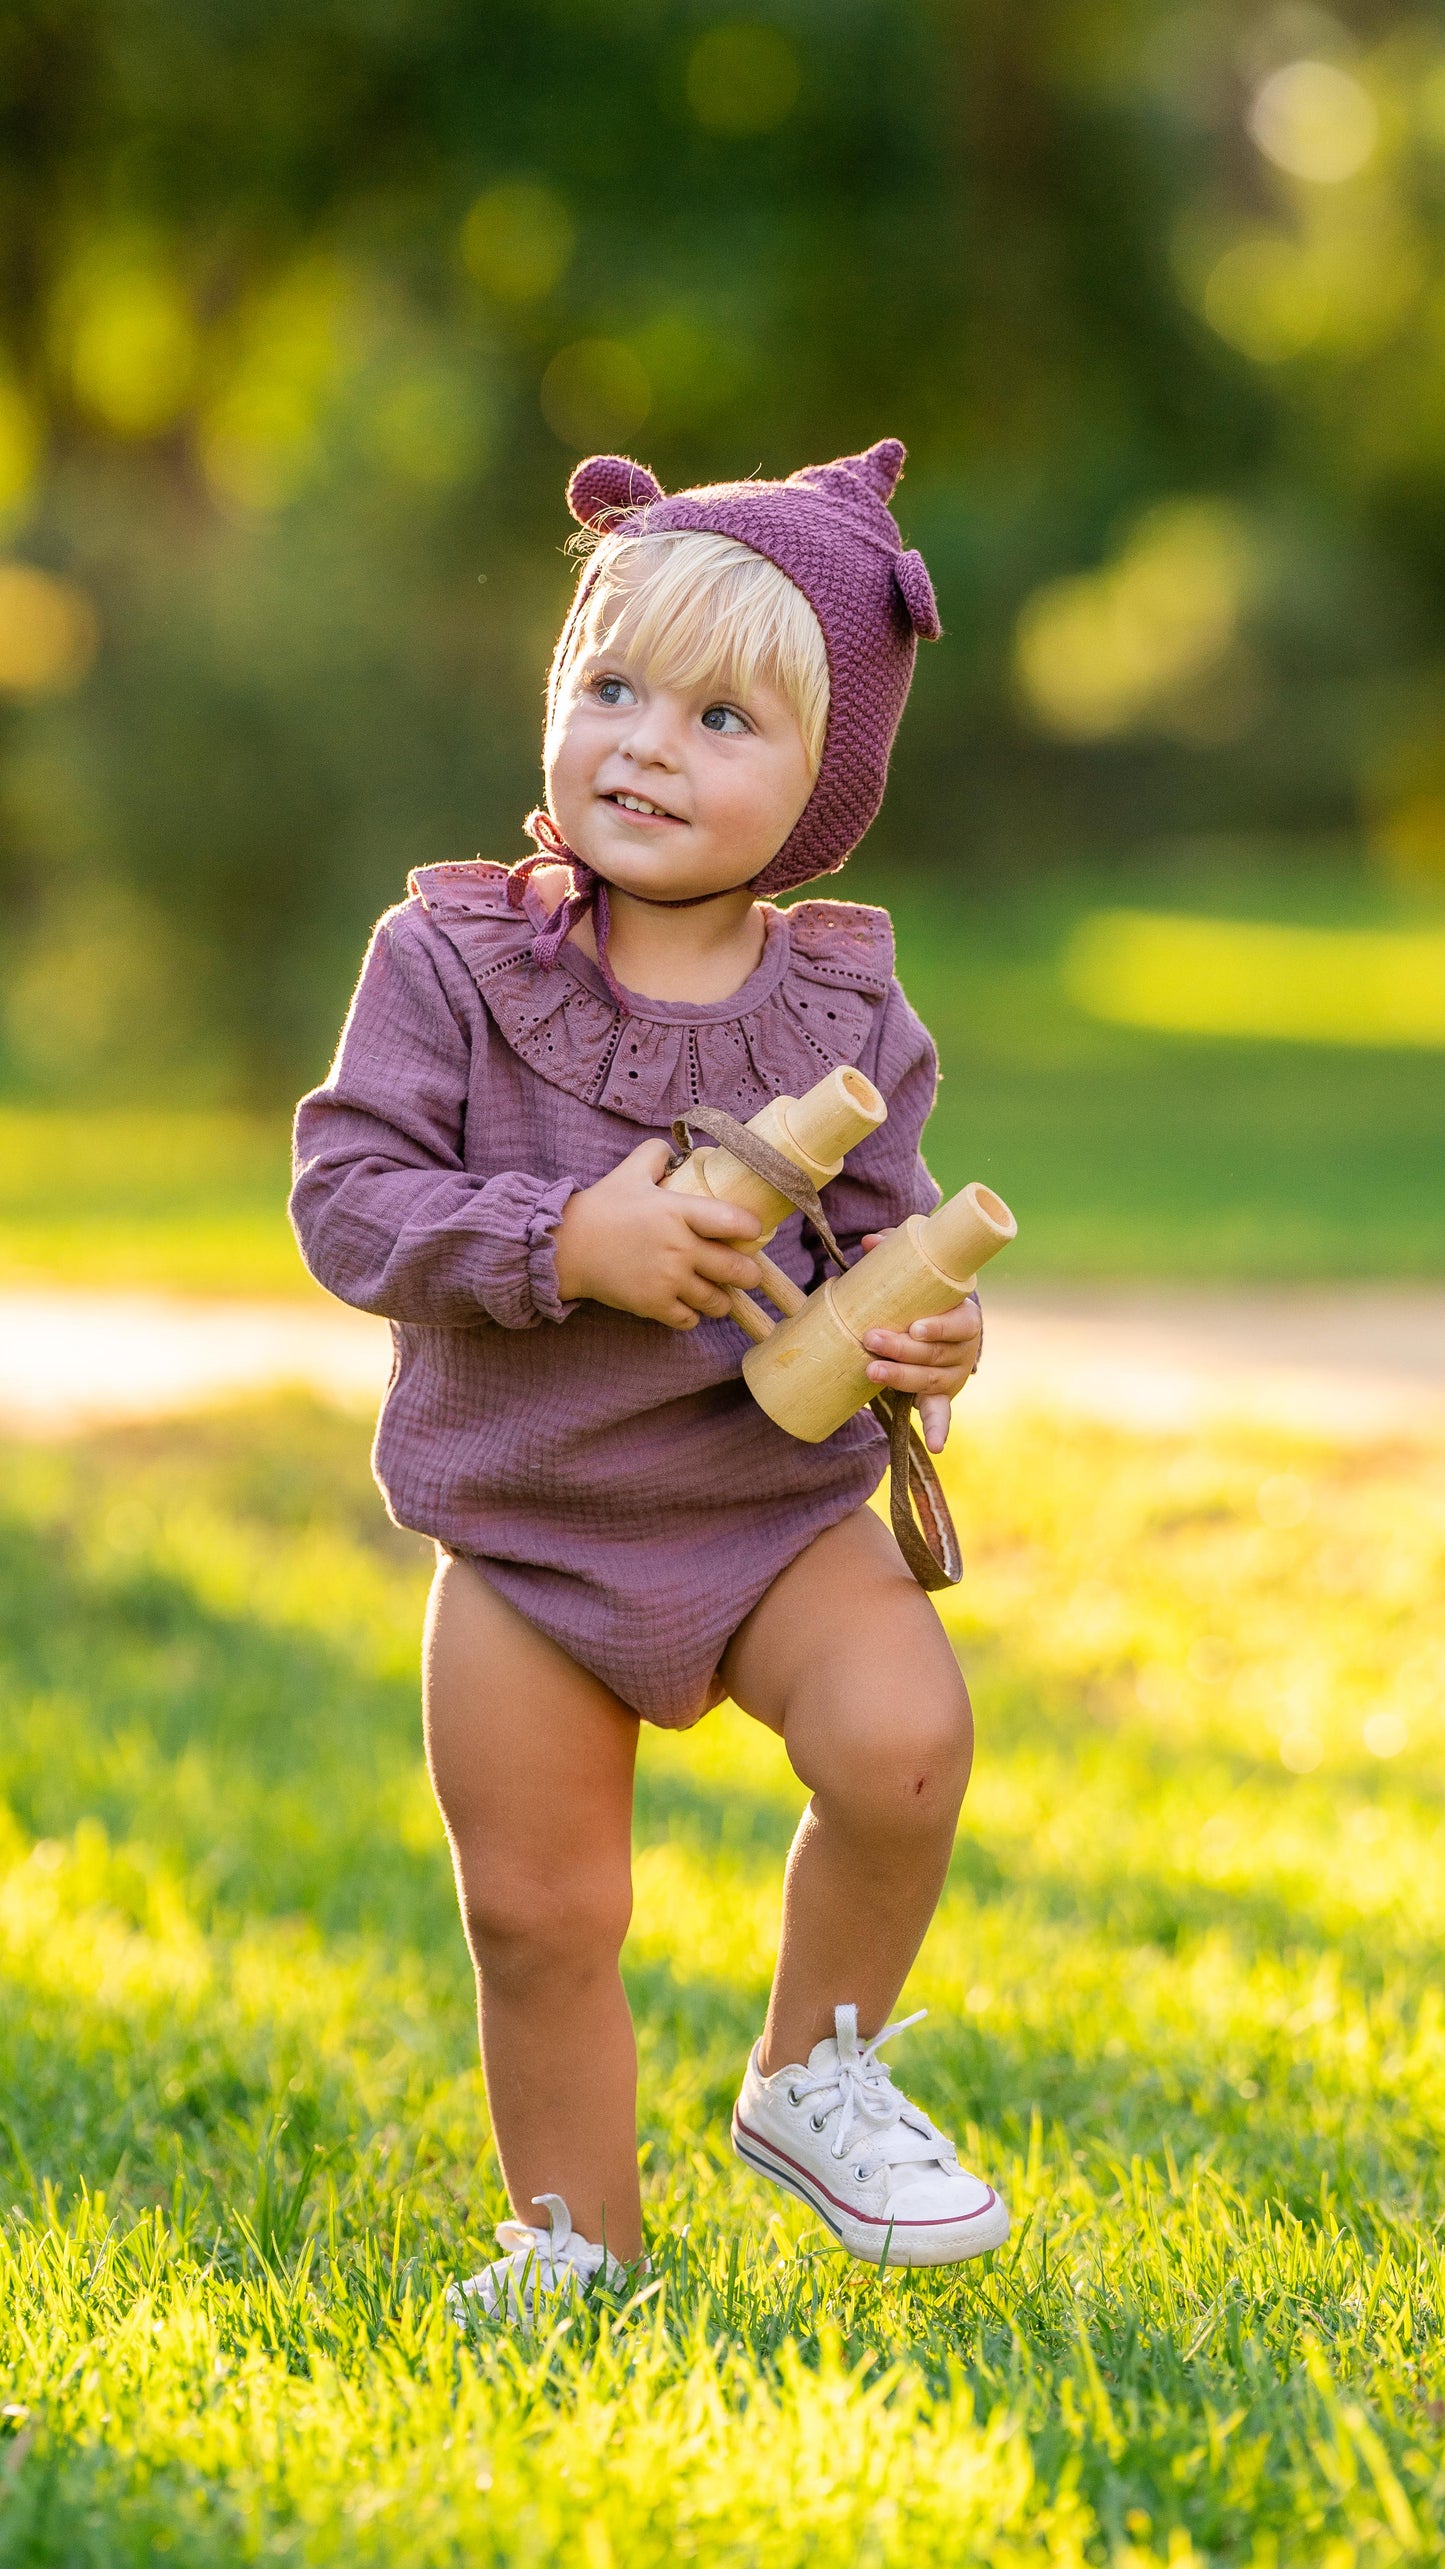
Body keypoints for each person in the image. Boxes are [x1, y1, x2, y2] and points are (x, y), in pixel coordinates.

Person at [290, 438, 1009, 2319]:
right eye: (606, 686)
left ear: (823, 782)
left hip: (764, 1518)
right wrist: (563, 1244)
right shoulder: (447, 960)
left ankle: (810, 2069)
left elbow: (879, 1240)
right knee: (542, 1914)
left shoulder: (845, 1004)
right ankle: (577, 2243)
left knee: (906, 1741)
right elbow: (348, 1201)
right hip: (529, 1535)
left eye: (716, 715)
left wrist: (923, 1335)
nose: (643, 743)